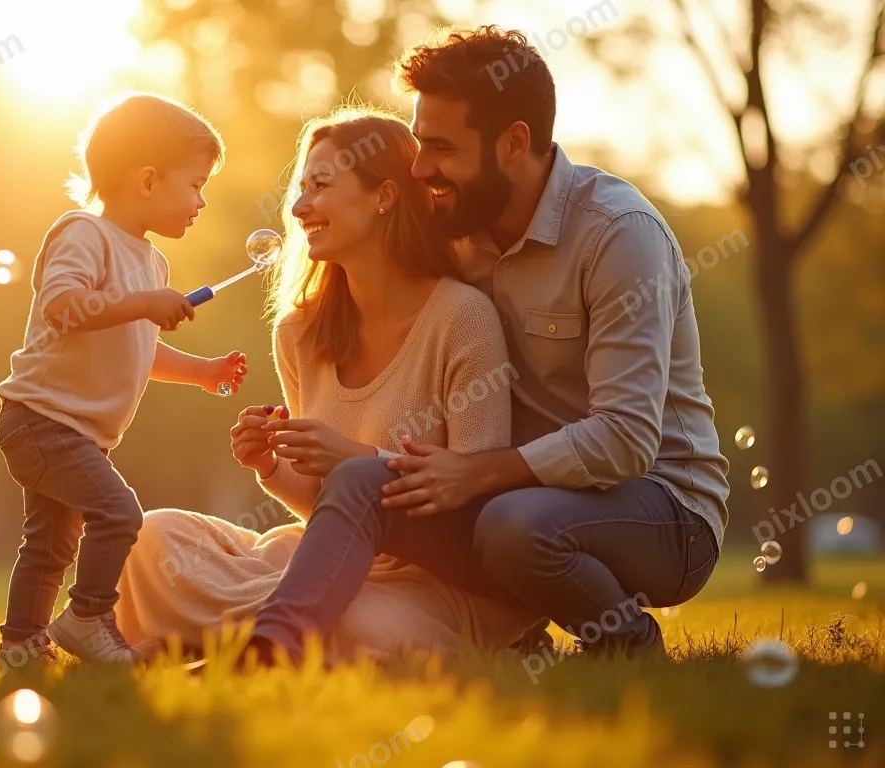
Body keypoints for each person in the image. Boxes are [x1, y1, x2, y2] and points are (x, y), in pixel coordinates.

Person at [242, 27, 730, 664]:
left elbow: (626, 438)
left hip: (661, 508)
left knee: (513, 527)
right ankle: (269, 649)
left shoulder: (617, 235)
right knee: (364, 478)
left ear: (514, 142)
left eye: (441, 148)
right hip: (509, 497)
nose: (420, 169)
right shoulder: (461, 230)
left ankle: (626, 643)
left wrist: (478, 472)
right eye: (419, 145)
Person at [112, 107, 540, 661]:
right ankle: (264, 636)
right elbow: (322, 513)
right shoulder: (300, 332)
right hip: (322, 562)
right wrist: (272, 465)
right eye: (300, 187)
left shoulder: (463, 319)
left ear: (384, 196)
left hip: (428, 579)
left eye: (321, 185)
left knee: (363, 624)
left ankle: (222, 638)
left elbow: (476, 505)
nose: (298, 206)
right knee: (149, 539)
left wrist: (356, 458)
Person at [0, 92, 248, 665]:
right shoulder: (83, 232)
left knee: (51, 544)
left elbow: (139, 349)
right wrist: (141, 303)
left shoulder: (152, 262)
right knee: (118, 512)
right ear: (148, 180)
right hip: (40, 421)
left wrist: (201, 372)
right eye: (196, 184)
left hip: (74, 432)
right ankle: (88, 617)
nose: (201, 200)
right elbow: (63, 305)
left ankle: (20, 648)